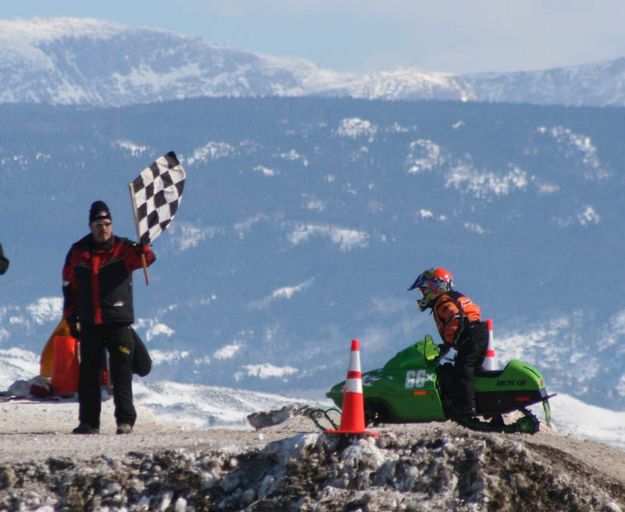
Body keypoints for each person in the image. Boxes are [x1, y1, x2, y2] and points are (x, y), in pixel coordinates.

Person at [62, 200, 155, 435]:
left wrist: (144, 247)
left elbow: (146, 258)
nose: (103, 228)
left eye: (106, 224)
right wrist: (70, 318)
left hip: (118, 321)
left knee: (121, 374)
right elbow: (69, 287)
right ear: (90, 226)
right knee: (89, 374)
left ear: (111, 225)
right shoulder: (78, 252)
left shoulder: (124, 249)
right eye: (98, 224)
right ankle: (89, 422)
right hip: (90, 322)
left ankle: (125, 421)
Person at [408, 267, 488, 418]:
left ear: (435, 287)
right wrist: (447, 345)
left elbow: (456, 318)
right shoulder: (452, 296)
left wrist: (449, 341)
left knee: (463, 368)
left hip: (471, 333)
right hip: (477, 332)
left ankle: (468, 406)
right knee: (474, 368)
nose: (423, 294)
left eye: (424, 290)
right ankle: (486, 401)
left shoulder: (443, 301)